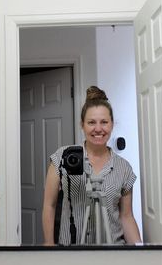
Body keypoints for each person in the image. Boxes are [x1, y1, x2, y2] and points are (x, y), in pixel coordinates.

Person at [42, 86, 142, 246]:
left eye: (104, 122)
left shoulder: (124, 168)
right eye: (91, 122)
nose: (98, 129)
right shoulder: (63, 157)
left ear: (112, 124)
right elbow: (49, 205)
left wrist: (140, 252)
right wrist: (49, 245)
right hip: (71, 251)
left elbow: (126, 216)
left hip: (113, 252)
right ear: (82, 125)